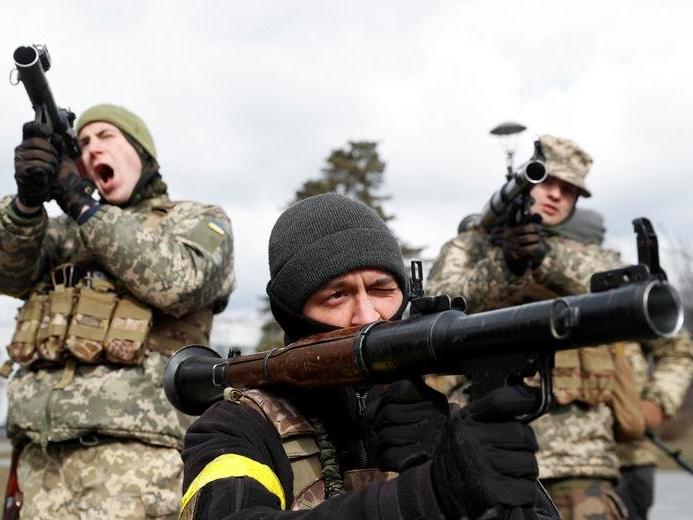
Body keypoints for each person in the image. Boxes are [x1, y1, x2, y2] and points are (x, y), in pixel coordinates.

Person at [181, 193, 559, 519]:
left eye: (382, 288)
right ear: (292, 314)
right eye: (337, 295)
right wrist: (424, 495)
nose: (367, 316)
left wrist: (458, 472)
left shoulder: (444, 420)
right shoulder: (237, 425)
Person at [426, 134, 693, 520]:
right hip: (486, 450)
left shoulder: (590, 256)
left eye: (569, 191)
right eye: (547, 182)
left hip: (580, 460)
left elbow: (641, 309)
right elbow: (441, 311)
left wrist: (656, 403)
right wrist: (506, 266)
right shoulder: (469, 248)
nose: (555, 195)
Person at [1, 104, 235, 518]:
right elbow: (8, 272)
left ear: (141, 152)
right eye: (83, 142)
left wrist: (82, 205)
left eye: (106, 136)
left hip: (139, 466)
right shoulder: (62, 235)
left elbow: (179, 282)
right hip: (40, 464)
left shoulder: (194, 219)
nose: (92, 148)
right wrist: (26, 204)